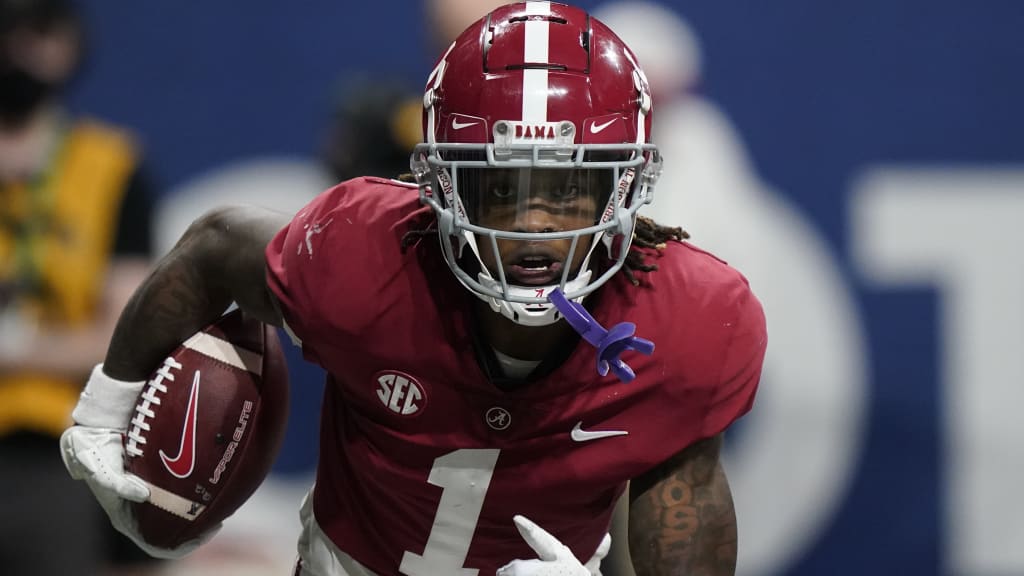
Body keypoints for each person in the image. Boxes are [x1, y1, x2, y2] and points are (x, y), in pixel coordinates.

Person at [59, 2, 767, 575]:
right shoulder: (365, 254)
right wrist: (104, 405)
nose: (533, 224)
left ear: (627, 186)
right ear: (437, 185)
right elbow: (214, 248)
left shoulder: (688, 321)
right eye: (498, 186)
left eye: (568, 187)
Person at [0, 0, 159, 574]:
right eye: (9, 29)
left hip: (57, 457)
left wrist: (16, 351)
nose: (22, 49)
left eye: (41, 30)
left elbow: (121, 339)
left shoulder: (112, 166)